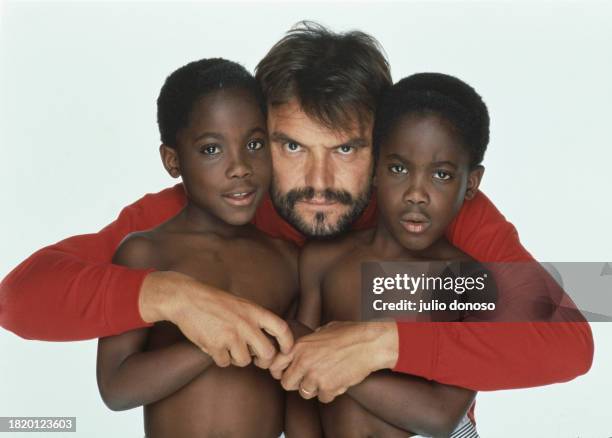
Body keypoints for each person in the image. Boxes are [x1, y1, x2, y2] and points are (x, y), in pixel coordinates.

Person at [0, 22, 592, 403]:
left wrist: (384, 344)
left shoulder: (435, 211)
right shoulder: (201, 212)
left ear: (383, 147)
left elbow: (570, 339)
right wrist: (169, 296)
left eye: (346, 150)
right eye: (290, 147)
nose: (318, 182)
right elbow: (18, 297)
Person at [96, 58, 298, 438]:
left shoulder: (286, 259)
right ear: (173, 160)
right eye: (211, 150)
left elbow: (300, 384)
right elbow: (116, 387)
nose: (240, 167)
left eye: (254, 144)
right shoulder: (145, 254)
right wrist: (210, 344)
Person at [284, 72, 491, 438]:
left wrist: (345, 363)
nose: (416, 193)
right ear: (375, 170)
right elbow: (300, 382)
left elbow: (440, 416)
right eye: (398, 168)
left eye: (441, 175)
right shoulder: (325, 258)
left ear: (471, 183)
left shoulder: (469, 279)